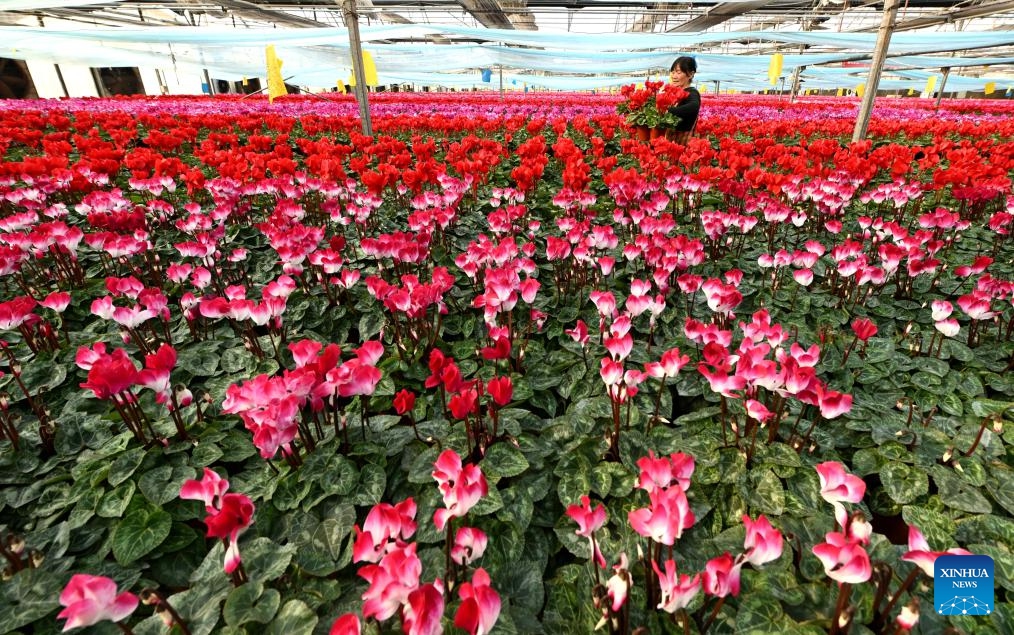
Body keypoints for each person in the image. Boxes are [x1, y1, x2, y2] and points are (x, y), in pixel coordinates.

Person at [667, 56, 700, 143]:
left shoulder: (692, 93)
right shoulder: (675, 92)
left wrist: (668, 111)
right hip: (671, 139)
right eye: (673, 72)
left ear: (691, 74)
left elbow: (694, 106)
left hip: (682, 141)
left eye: (678, 72)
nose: (674, 76)